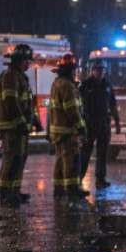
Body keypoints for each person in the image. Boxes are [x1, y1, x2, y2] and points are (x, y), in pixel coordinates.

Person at [0, 43, 39, 207]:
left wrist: (34, 120)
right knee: (11, 160)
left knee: (19, 159)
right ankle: (5, 194)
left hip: (19, 127)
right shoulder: (10, 77)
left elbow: (26, 103)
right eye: (27, 61)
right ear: (19, 60)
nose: (28, 64)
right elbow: (10, 102)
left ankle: (14, 192)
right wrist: (21, 123)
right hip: (12, 127)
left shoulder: (20, 77)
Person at [50, 53, 88, 199]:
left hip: (58, 131)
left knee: (60, 160)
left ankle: (59, 189)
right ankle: (73, 190)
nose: (75, 73)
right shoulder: (67, 86)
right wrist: (81, 127)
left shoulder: (57, 83)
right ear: (70, 71)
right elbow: (71, 109)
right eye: (74, 70)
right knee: (71, 161)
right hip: (68, 130)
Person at [79, 61, 121, 188]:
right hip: (89, 124)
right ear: (93, 71)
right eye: (97, 70)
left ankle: (100, 179)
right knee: (85, 153)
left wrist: (117, 122)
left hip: (104, 124)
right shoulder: (85, 85)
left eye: (102, 70)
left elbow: (113, 104)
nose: (100, 72)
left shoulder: (107, 85)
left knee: (102, 154)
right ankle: (78, 179)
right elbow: (78, 104)